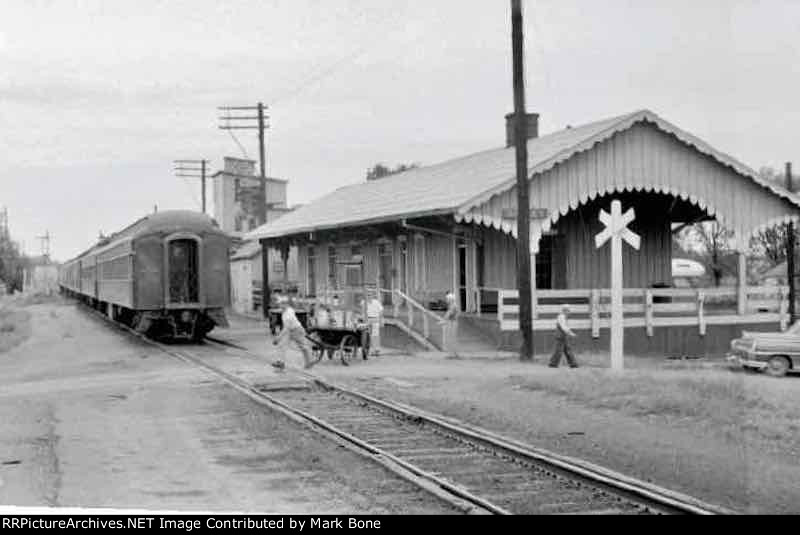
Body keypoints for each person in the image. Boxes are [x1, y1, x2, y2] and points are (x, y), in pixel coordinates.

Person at [271, 300, 319, 370]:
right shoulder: (285, 311)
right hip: (290, 330)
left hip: (297, 330)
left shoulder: (289, 313)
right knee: (282, 345)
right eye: (280, 304)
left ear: (286, 304)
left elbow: (286, 328)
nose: (281, 305)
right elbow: (287, 328)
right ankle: (280, 362)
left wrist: (278, 338)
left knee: (303, 347)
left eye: (283, 304)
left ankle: (309, 362)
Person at [439, 291, 459, 357]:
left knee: (451, 338)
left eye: (447, 299)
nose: (447, 301)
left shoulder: (453, 306)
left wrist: (443, 320)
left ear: (450, 299)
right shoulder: (453, 305)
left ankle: (452, 354)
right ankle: (453, 353)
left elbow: (449, 314)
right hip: (452, 322)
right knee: (451, 338)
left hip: (452, 323)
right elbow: (448, 314)